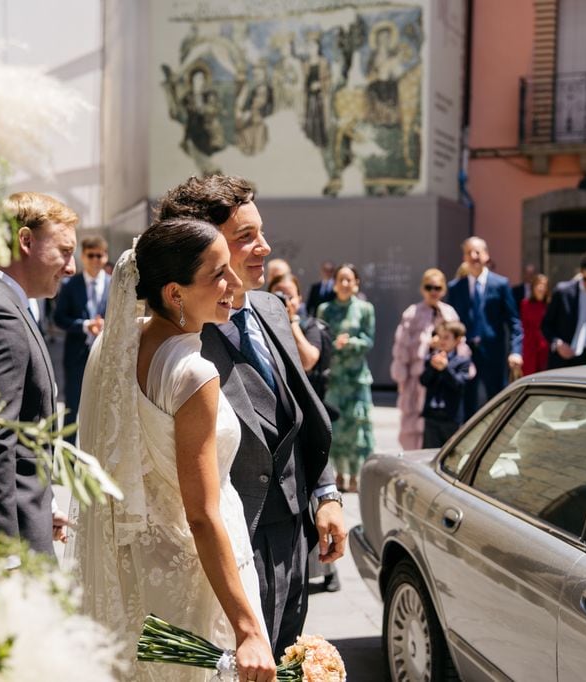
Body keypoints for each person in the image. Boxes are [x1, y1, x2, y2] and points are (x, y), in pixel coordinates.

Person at [74, 218, 277, 682]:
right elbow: (201, 514)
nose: (233, 283)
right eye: (218, 274)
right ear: (175, 293)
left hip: (138, 570)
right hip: (197, 579)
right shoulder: (193, 373)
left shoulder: (114, 346)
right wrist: (247, 629)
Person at [155, 175, 345, 658]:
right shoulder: (176, 340)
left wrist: (326, 495)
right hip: (231, 549)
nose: (264, 247)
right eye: (246, 237)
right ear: (205, 246)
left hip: (296, 539)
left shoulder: (270, 307)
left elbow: (302, 412)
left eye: (262, 232)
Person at [0, 191, 78, 555]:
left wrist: (45, 507)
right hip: (15, 544)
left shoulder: (3, 301)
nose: (71, 268)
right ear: (26, 241)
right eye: (64, 251)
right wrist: (6, 555)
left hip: (29, 519)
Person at [268, 273, 340, 593]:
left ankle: (329, 568)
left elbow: (309, 360)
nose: (284, 300)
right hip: (282, 421)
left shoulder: (310, 326)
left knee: (319, 497)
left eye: (290, 295)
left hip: (309, 423)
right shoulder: (262, 323)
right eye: (278, 294)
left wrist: (291, 321)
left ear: (299, 299)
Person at [390, 268, 469, 450]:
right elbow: (401, 349)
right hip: (416, 379)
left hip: (441, 382)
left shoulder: (449, 313)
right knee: (412, 427)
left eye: (437, 287)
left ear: (443, 289)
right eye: (429, 287)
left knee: (439, 436)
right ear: (422, 289)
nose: (433, 291)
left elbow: (460, 346)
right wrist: (401, 378)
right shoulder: (412, 313)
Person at [445, 237, 523, 419]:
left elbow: (514, 322)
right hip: (465, 355)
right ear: (464, 257)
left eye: (477, 252)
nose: (474, 256)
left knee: (498, 403)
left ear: (486, 255)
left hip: (493, 353)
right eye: (469, 252)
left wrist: (516, 351)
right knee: (468, 406)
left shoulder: (500, 284)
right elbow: (451, 324)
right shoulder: (455, 287)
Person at [317, 263, 375, 493]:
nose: (344, 284)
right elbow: (319, 339)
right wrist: (334, 344)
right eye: (340, 279)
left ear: (356, 283)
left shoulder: (365, 309)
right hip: (334, 378)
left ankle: (356, 474)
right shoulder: (325, 309)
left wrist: (350, 343)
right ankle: (339, 474)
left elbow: (369, 341)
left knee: (357, 427)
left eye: (349, 279)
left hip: (356, 378)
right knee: (337, 427)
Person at [54, 235, 110, 421]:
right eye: (91, 255)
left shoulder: (114, 284)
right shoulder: (70, 285)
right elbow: (59, 318)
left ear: (105, 256)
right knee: (72, 406)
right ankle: (68, 440)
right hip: (76, 356)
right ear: (83, 256)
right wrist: (85, 325)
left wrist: (106, 326)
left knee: (102, 410)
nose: (95, 260)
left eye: (99, 255)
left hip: (105, 356)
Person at [541, 250, 586, 370]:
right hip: (561, 358)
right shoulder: (562, 292)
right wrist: (557, 343)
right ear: (581, 272)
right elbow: (546, 325)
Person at [420, 320, 474, 448]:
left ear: (457, 340)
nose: (442, 341)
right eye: (440, 336)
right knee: (429, 450)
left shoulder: (463, 361)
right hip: (432, 415)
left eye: (446, 337)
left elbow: (458, 384)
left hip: (451, 416)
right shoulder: (431, 358)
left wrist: (445, 369)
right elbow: (423, 381)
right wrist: (432, 367)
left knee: (451, 451)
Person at [520, 273, 550, 375]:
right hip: (529, 346)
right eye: (538, 284)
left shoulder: (549, 305)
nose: (541, 288)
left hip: (545, 346)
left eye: (544, 285)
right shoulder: (525, 304)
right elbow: (523, 326)